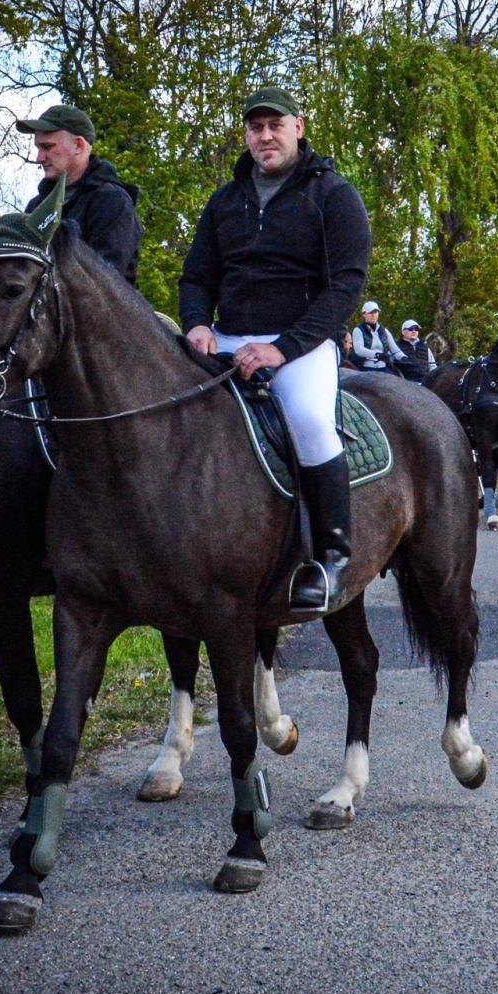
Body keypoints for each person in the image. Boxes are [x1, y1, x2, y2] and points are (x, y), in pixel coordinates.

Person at [179, 85, 373, 612]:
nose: (265, 136)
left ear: (298, 128)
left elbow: (345, 288)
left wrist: (282, 349)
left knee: (309, 420)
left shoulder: (333, 195)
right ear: (246, 135)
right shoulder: (225, 200)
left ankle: (331, 558)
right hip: (226, 338)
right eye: (255, 127)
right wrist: (197, 325)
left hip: (301, 344)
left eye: (275, 125)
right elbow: (197, 276)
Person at [16, 103, 144, 288]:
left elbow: (105, 284)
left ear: (78, 145)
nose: (39, 158)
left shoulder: (112, 202)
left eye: (47, 147)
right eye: (38, 148)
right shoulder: (36, 208)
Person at [349, 301, 405, 374]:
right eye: (371, 313)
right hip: (365, 367)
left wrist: (403, 357)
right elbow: (359, 350)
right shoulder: (358, 330)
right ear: (364, 314)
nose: (373, 315)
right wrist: (377, 354)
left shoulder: (384, 331)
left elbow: (395, 351)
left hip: (384, 367)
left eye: (375, 312)